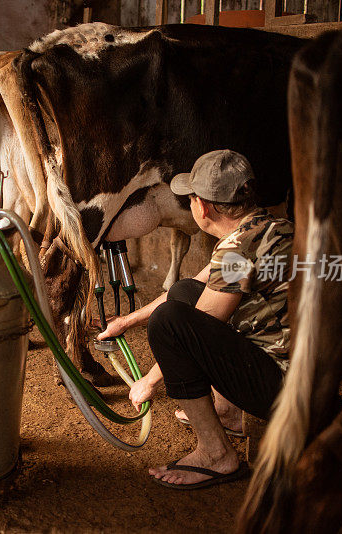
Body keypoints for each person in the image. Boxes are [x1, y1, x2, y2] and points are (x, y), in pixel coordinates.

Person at [98, 149, 293, 489]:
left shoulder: (236, 251)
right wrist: (127, 321)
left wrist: (149, 380)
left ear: (203, 207)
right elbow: (192, 288)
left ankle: (217, 455)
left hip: (287, 392)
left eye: (190, 199)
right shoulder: (271, 226)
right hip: (303, 375)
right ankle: (229, 413)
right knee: (184, 293)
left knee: (169, 322)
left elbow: (196, 324)